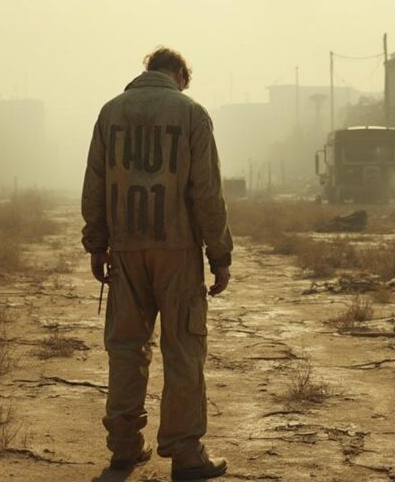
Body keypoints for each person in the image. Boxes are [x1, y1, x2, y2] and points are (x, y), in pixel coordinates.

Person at [81, 47, 233, 480]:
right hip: (178, 250)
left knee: (126, 350)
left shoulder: (110, 113)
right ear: (180, 75)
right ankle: (186, 454)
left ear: (147, 70)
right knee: (183, 350)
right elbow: (207, 192)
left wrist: (97, 243)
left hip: (126, 250)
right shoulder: (192, 114)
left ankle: (124, 449)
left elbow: (94, 182)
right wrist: (219, 254)